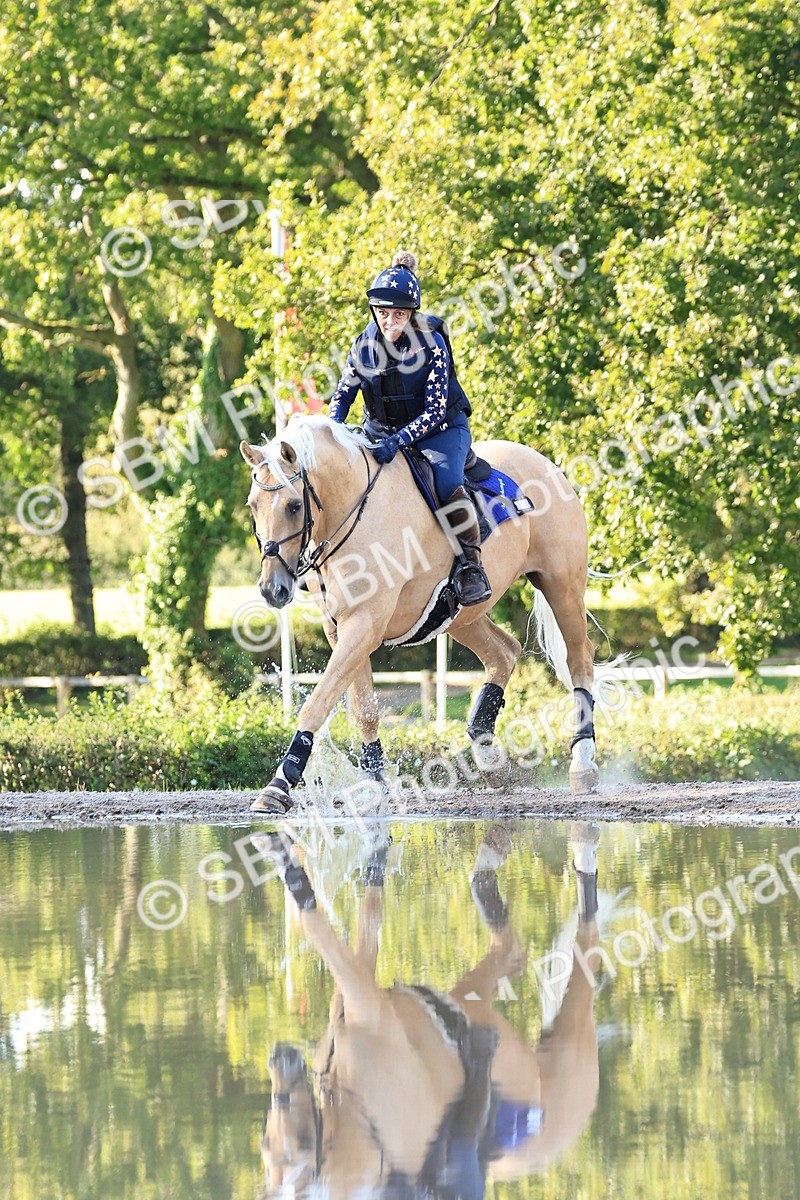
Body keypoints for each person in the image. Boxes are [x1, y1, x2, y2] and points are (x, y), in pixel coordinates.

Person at [328, 250, 492, 606]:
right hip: (381, 430)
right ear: (374, 311)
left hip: (442, 428)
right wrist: (328, 433)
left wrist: (397, 443)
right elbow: (342, 397)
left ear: (411, 313)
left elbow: (433, 410)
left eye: (399, 314)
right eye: (383, 313)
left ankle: (471, 563)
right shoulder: (362, 347)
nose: (390, 321)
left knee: (447, 482)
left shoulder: (431, 343)